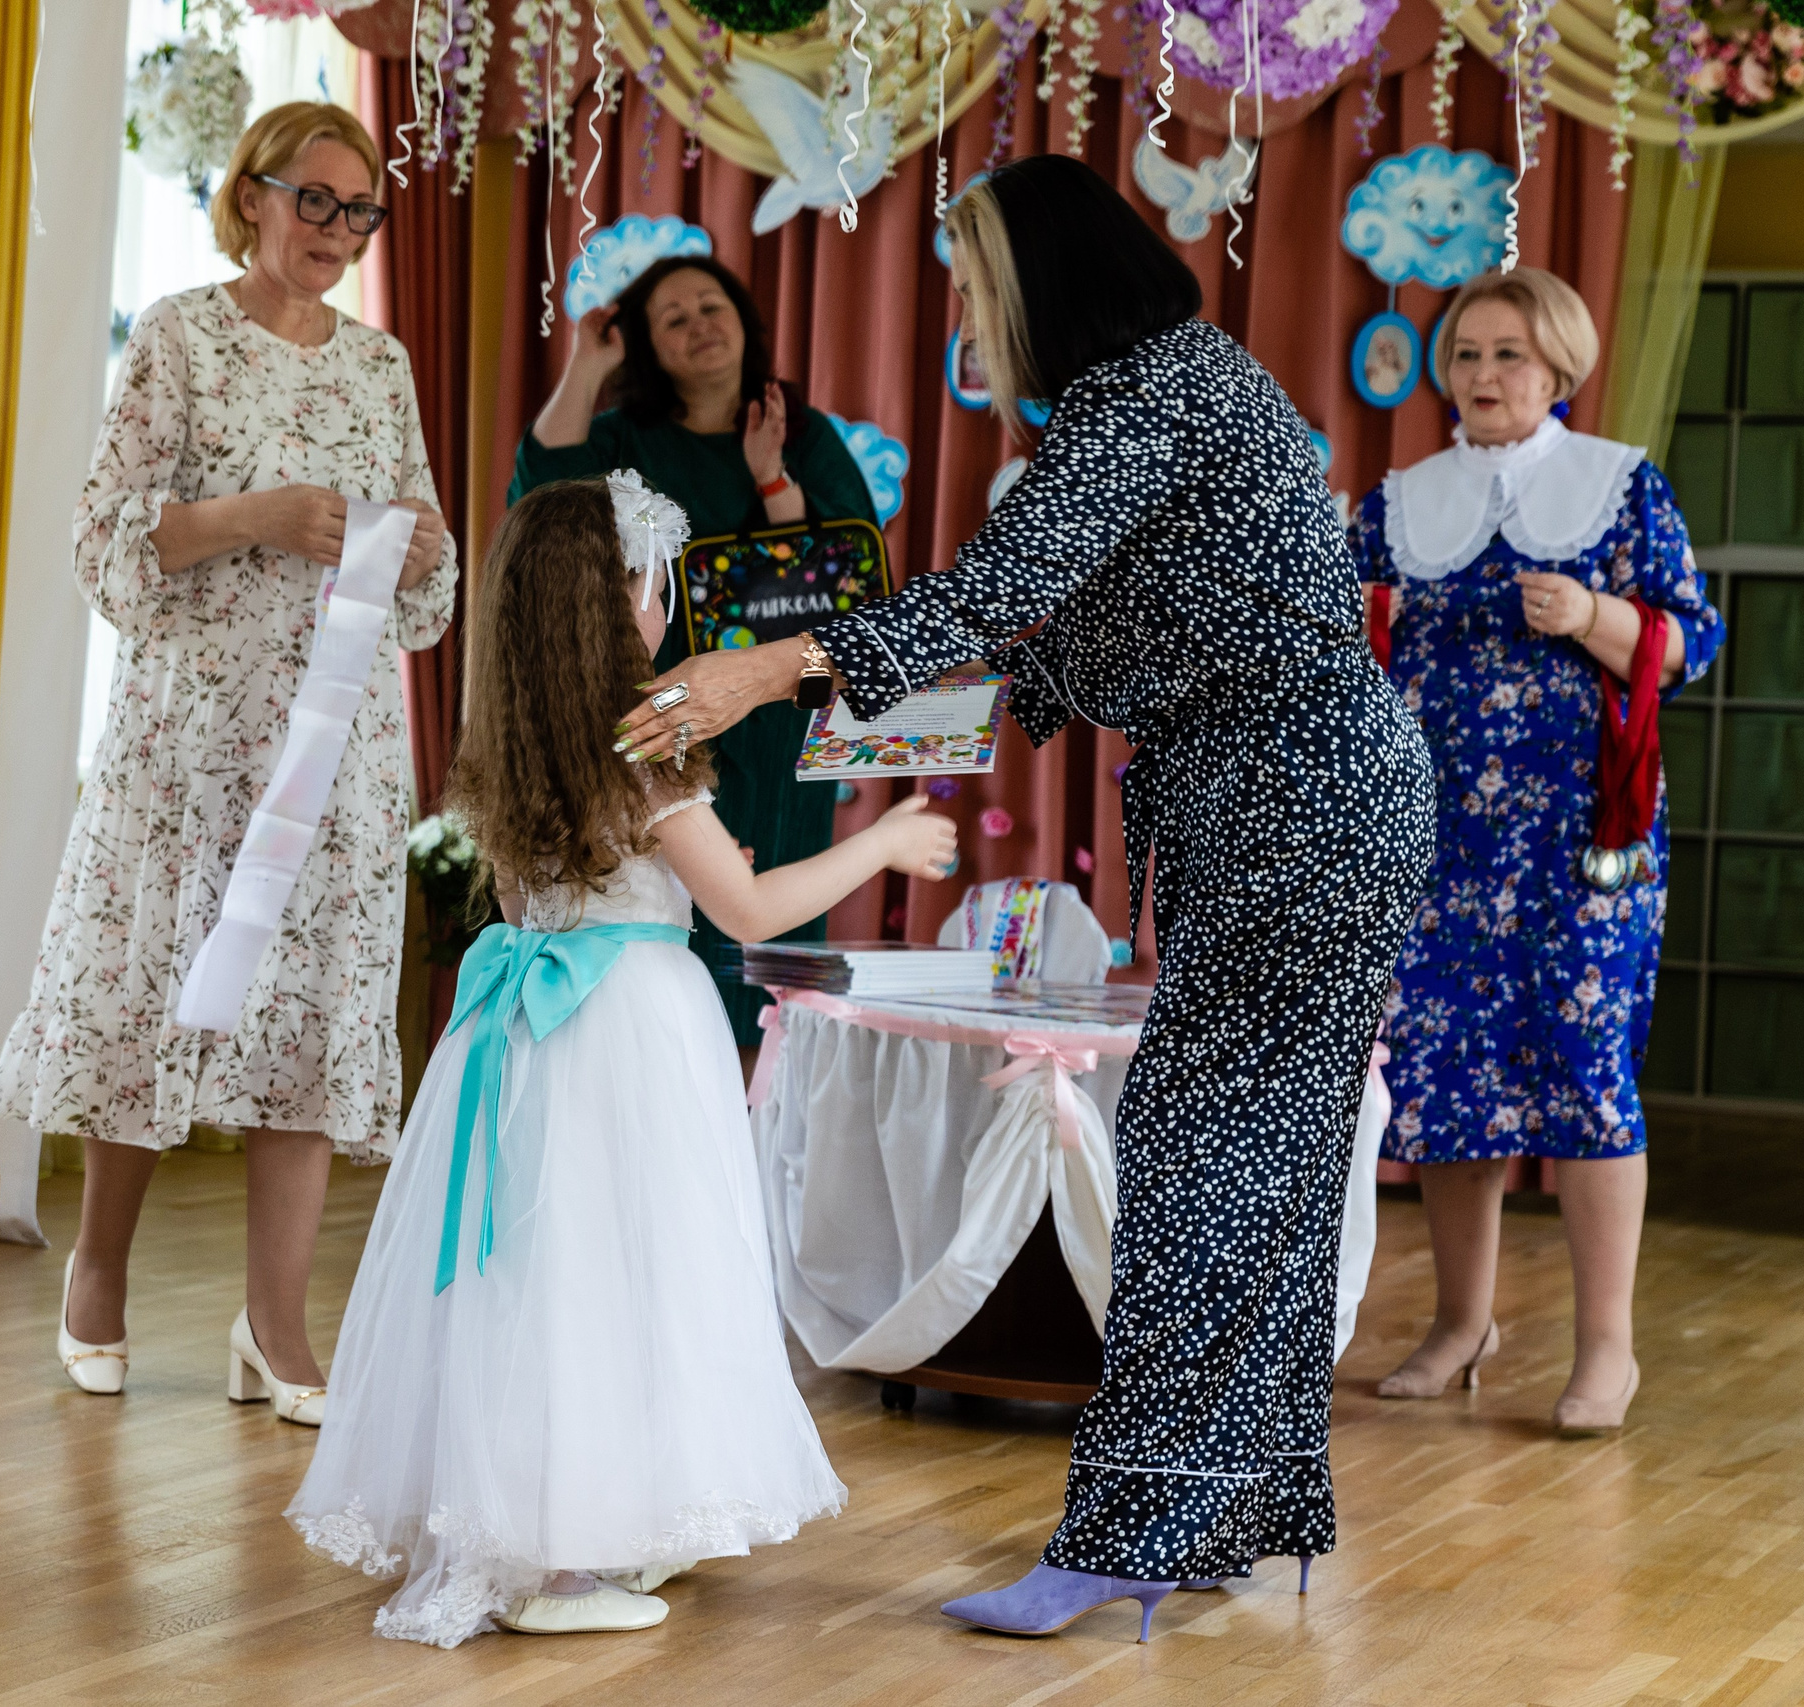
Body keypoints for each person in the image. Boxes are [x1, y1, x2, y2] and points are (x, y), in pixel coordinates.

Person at [616, 156, 1434, 1636]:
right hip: (1318, 800)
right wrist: (885, 713)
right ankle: (1226, 1512)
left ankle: (1126, 1532)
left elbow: (992, 590)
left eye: (982, 287)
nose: (975, 322)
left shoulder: (1150, 397)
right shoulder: (1183, 392)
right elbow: (1051, 647)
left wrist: (766, 665)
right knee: (1263, 1173)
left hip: (1295, 806)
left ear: (1045, 276)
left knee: (1198, 1169)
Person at [286, 473, 958, 1646]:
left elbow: (573, 888)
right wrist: (887, 842)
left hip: (528, 1030)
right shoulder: (648, 742)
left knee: (546, 1281)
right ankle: (562, 1558)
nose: (664, 611)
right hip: (629, 1026)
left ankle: (561, 1517)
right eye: (654, 588)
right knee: (628, 1271)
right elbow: (746, 911)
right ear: (615, 604)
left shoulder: (518, 738)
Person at [0, 103, 454, 1422]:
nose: (339, 234)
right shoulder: (179, 337)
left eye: (360, 213)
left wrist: (424, 553)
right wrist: (253, 514)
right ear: (252, 195)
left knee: (303, 1021)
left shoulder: (382, 365)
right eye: (317, 202)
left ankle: (276, 1322)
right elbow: (104, 541)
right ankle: (97, 1271)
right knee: (159, 1007)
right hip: (191, 744)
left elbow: (430, 567)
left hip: (343, 752)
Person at [1350, 267, 1722, 1436]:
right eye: (1464, 353)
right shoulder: (1402, 499)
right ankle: (1463, 1323)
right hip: (1435, 842)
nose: (1481, 375)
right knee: (1447, 1078)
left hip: (1578, 842)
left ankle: (1607, 1351)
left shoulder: (1617, 487)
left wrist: (1595, 618)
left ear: (1557, 367)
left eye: (1507, 354)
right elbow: (1340, 649)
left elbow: (1689, 643)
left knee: (1586, 1078)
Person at [511, 256, 876, 1063]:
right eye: (671, 317)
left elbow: (856, 583)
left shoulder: (804, 434)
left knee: (771, 963)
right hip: (664, 715)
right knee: (679, 927)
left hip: (787, 726)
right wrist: (586, 363)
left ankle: (753, 1132)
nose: (698, 324)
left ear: (746, 321)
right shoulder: (620, 441)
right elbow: (536, 499)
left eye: (712, 306)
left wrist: (773, 478)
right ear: (643, 344)